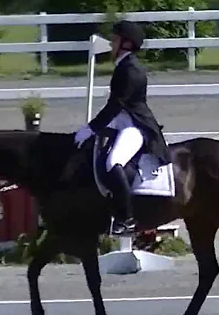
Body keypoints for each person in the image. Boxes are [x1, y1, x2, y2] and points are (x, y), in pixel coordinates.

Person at [73, 20, 171, 236]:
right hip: (122, 123)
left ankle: (126, 219)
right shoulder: (124, 67)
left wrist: (92, 127)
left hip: (136, 126)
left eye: (115, 40)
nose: (111, 45)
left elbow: (116, 105)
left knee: (113, 161)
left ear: (126, 44)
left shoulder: (130, 70)